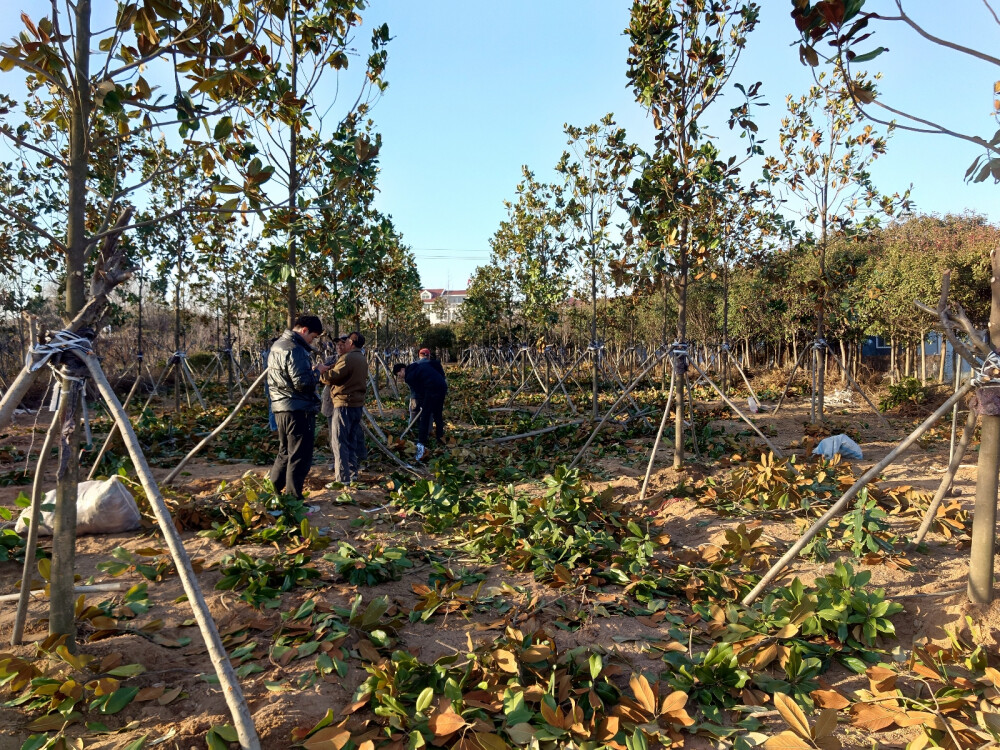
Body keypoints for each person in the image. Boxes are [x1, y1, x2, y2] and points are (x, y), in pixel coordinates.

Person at [267, 315, 329, 500]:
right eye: (313, 336)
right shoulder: (296, 349)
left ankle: (272, 495)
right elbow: (303, 384)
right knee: (299, 455)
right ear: (304, 330)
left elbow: (287, 378)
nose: (313, 340)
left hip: (280, 407)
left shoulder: (277, 346)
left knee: (285, 452)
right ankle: (295, 500)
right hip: (298, 409)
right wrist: (317, 372)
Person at [322, 331, 368, 483]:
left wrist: (321, 372)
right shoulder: (361, 358)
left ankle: (342, 478)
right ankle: (353, 472)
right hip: (356, 404)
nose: (344, 344)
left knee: (339, 441)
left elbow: (333, 377)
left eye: (346, 341)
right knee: (351, 439)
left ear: (351, 343)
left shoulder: (347, 358)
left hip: (344, 404)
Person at [393, 352, 447, 461]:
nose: (401, 378)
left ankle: (422, 441)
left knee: (425, 416)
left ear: (402, 369)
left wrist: (423, 405)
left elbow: (419, 392)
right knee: (437, 413)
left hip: (431, 389)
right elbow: (436, 364)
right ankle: (440, 437)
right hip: (441, 386)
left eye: (399, 375)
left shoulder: (409, 376)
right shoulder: (417, 365)